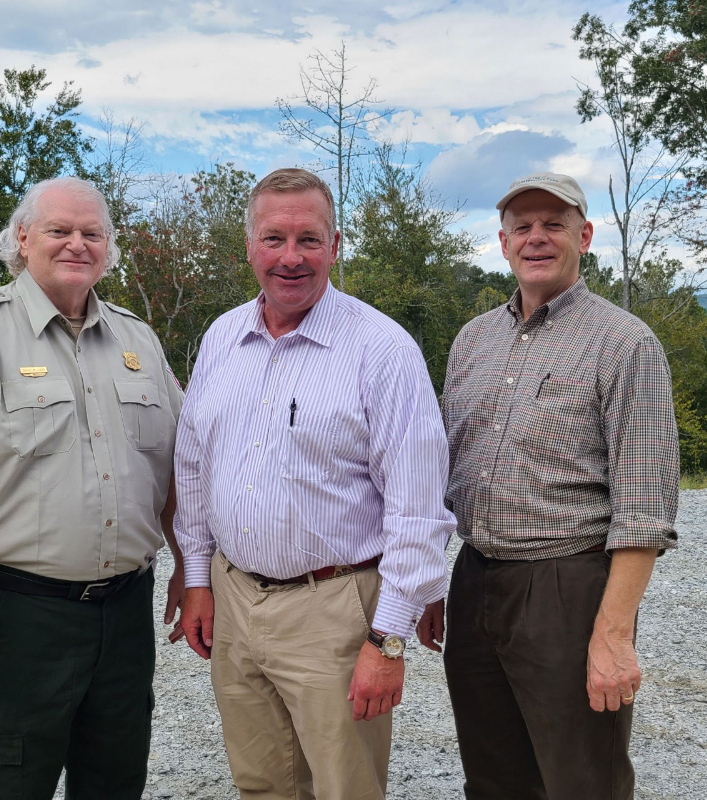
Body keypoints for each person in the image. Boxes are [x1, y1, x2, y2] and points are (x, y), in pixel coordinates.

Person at [0, 176, 184, 800]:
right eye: (59, 230)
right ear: (22, 240)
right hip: (20, 617)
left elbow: (177, 466)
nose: (77, 244)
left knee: (115, 782)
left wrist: (191, 567)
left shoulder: (139, 341)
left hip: (126, 612)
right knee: (10, 784)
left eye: (92, 233)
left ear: (108, 246)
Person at [174, 168, 455, 800]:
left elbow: (417, 511)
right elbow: (193, 467)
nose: (291, 258)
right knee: (261, 785)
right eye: (274, 239)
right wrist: (197, 580)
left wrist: (387, 641)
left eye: (309, 239)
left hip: (336, 609)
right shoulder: (221, 338)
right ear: (249, 247)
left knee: (344, 789)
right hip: (236, 600)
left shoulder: (381, 350)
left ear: (336, 245)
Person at [429, 172, 679, 799]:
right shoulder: (473, 340)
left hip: (567, 583)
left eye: (554, 224)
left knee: (580, 779)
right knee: (492, 775)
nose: (536, 237)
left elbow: (645, 505)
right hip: (476, 575)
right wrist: (431, 581)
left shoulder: (623, 342)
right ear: (504, 242)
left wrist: (613, 634)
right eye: (522, 226)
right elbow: (439, 469)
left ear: (584, 236)